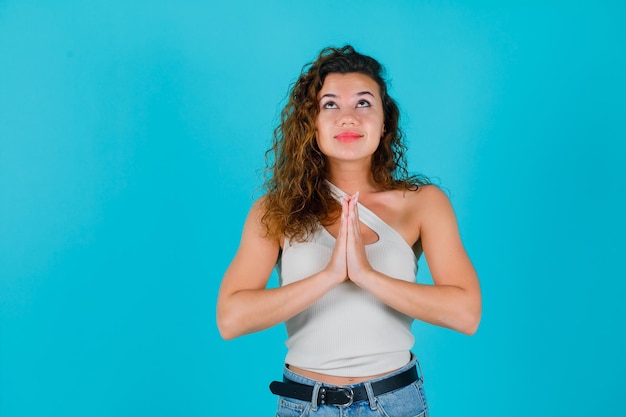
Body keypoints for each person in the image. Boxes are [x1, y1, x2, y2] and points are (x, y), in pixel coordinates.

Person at [217, 45, 481, 416]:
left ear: (385, 120)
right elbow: (231, 318)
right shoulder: (275, 210)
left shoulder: (423, 203)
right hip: (305, 404)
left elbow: (466, 313)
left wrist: (366, 275)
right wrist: (329, 276)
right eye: (330, 105)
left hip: (393, 403)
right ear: (312, 122)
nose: (347, 118)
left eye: (363, 103)